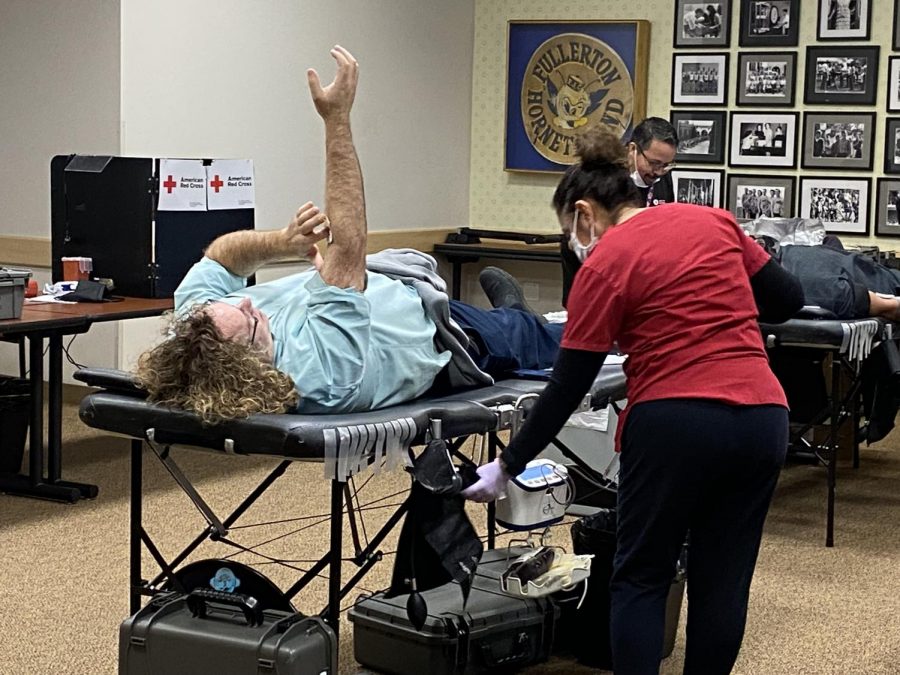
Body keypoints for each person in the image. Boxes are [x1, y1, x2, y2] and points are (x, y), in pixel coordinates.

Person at [461, 127, 805, 675]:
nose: (575, 241)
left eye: (571, 231)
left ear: (583, 213)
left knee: (642, 576)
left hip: (674, 421)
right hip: (763, 417)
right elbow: (790, 299)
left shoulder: (604, 261)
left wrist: (507, 464)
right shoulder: (711, 220)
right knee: (723, 580)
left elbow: (568, 386)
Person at [135, 46, 563, 423]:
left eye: (236, 304)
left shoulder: (195, 332)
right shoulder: (322, 376)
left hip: (398, 289)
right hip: (451, 337)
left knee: (511, 319)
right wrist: (336, 119)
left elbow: (220, 258)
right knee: (556, 341)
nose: (247, 301)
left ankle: (515, 311)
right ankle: (525, 319)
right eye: (249, 319)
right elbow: (349, 246)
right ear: (248, 365)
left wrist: (280, 243)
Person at [559, 117, 677, 307]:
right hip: (594, 275)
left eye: (666, 165)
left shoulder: (662, 176)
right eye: (654, 163)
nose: (659, 172)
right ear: (632, 149)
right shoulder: (596, 174)